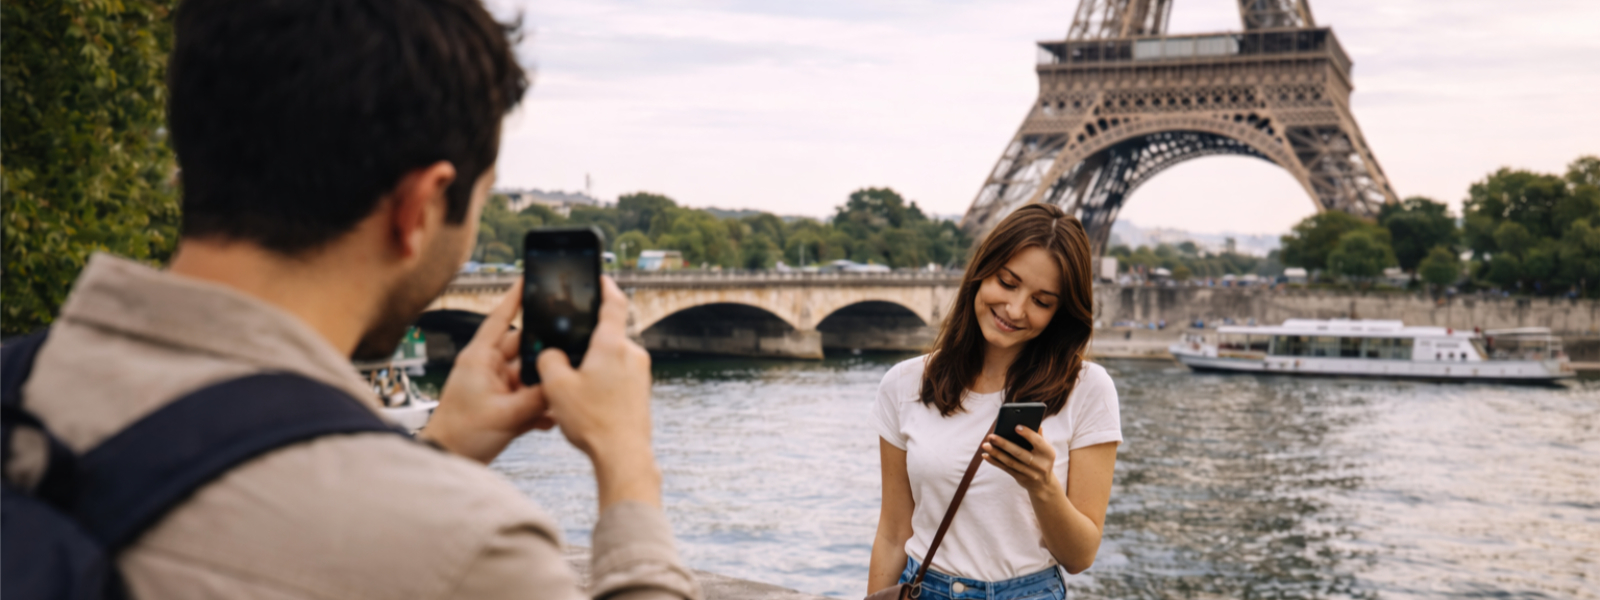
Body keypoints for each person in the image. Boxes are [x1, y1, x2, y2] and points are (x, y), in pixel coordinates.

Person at [6, 0, 699, 598]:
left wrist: (446, 446)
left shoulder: (21, 392)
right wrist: (626, 460)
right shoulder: (473, 552)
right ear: (420, 208)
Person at [867, 204, 1122, 600]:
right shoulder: (904, 384)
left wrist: (1042, 486)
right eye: (1007, 282)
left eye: (1042, 301)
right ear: (981, 271)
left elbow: (1080, 556)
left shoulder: (1088, 389)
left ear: (1060, 312)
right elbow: (893, 533)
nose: (1015, 309)